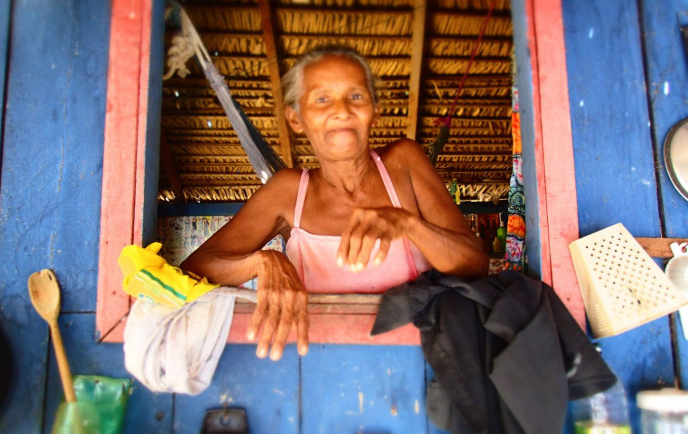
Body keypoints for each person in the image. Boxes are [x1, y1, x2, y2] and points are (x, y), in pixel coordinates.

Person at [180, 45, 487, 361]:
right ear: (296, 118)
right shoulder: (288, 191)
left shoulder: (404, 162)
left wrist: (409, 224)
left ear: (375, 111)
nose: (341, 110)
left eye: (356, 97)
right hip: (319, 368)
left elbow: (475, 264)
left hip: (421, 365)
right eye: (322, 99)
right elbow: (191, 270)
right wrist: (262, 261)